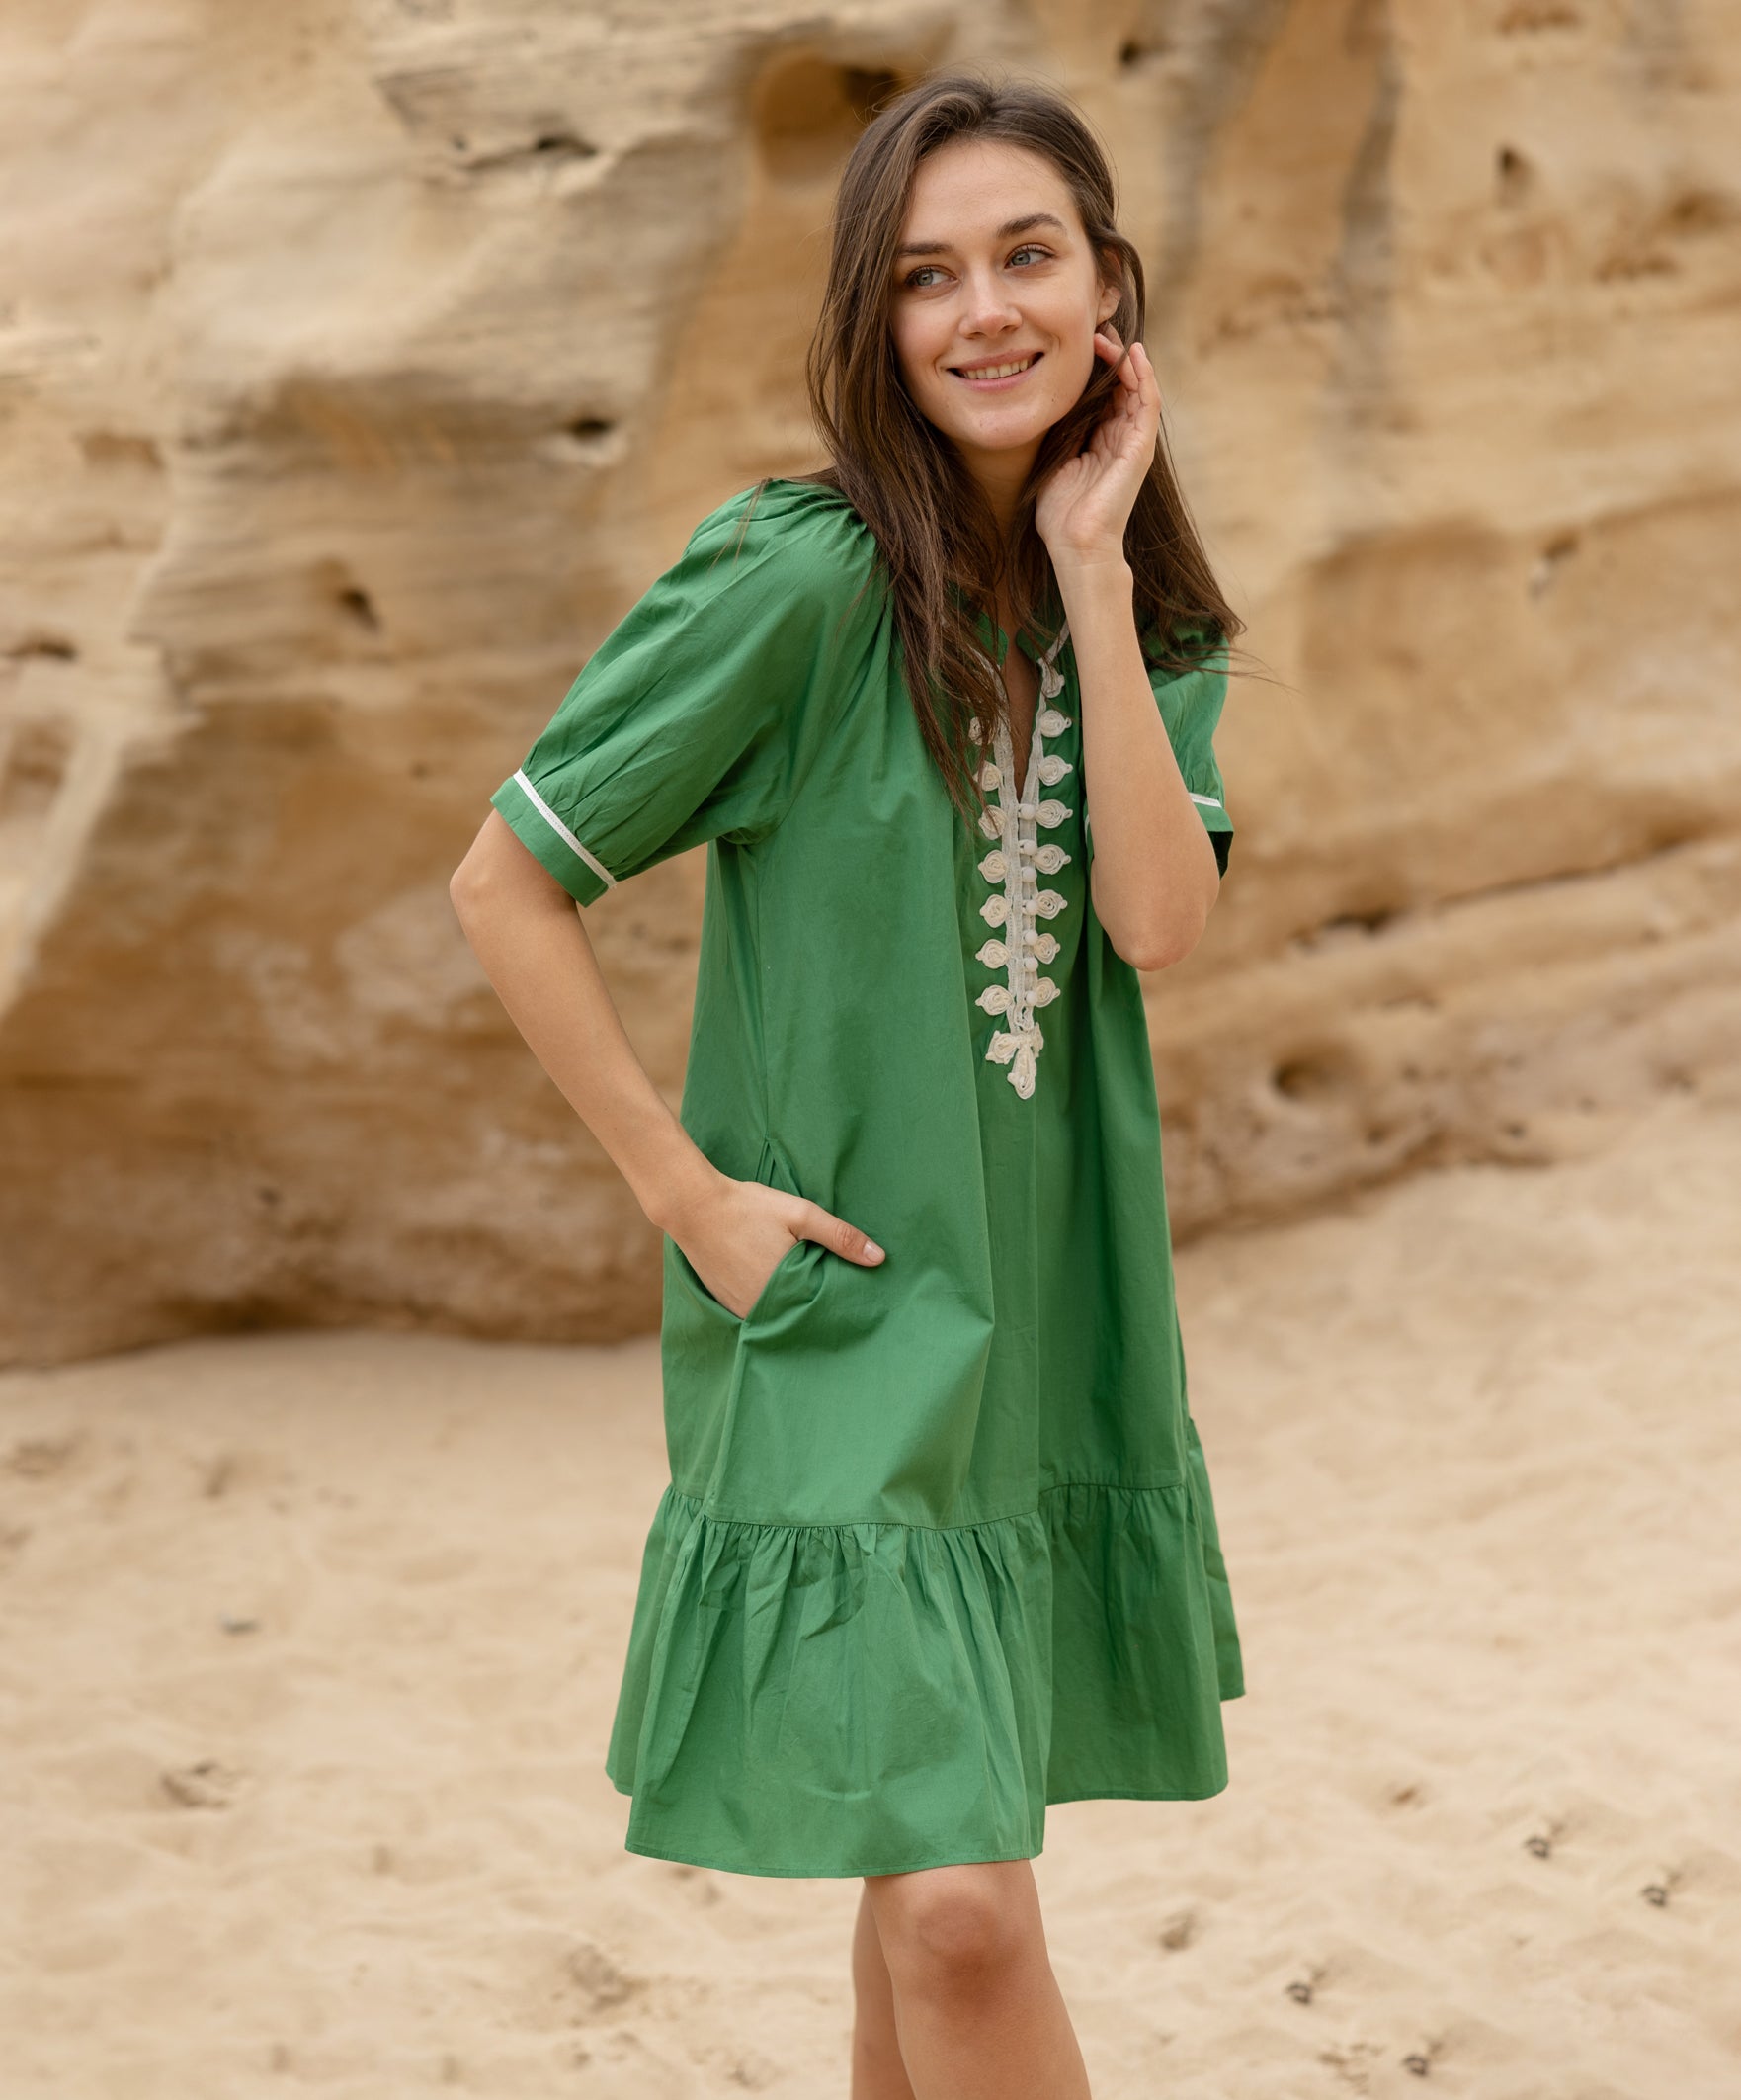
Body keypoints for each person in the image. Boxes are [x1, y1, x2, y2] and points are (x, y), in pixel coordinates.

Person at [451, 66, 1248, 2100]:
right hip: (836, 1308)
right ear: (870, 324)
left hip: (1049, 1322)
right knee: (965, 1909)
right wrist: (684, 1195)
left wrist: (1083, 561)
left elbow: (1157, 926)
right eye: (924, 276)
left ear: (1102, 290)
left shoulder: (1142, 619)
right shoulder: (795, 581)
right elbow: (505, 881)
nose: (981, 309)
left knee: (928, 1906)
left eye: (1025, 255)